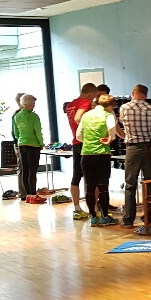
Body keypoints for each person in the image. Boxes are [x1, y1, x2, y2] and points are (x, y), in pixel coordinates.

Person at [117, 85, 151, 229]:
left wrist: (127, 137)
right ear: (146, 95)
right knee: (150, 183)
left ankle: (128, 220)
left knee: (130, 184)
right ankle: (148, 216)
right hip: (149, 149)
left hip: (132, 148)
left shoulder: (124, 108)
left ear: (133, 93)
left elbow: (119, 127)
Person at [76, 94, 119, 226]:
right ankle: (105, 216)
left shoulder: (86, 115)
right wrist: (109, 139)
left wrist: (89, 141)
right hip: (102, 154)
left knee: (89, 187)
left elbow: (78, 136)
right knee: (103, 187)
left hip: (86, 155)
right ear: (110, 106)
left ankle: (93, 217)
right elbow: (112, 133)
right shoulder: (108, 116)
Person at [64, 82, 98, 219]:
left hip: (75, 143)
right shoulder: (85, 102)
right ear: (90, 94)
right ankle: (95, 209)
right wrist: (89, 130)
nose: (93, 99)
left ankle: (77, 208)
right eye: (94, 96)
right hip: (85, 143)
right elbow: (78, 118)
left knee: (76, 176)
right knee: (93, 178)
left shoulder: (70, 105)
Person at [13, 94, 44, 201]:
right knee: (33, 170)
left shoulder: (17, 116)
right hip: (33, 145)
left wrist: (21, 140)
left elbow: (16, 133)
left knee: (25, 170)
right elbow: (38, 132)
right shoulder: (34, 116)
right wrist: (41, 143)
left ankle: (28, 195)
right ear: (27, 104)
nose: (34, 105)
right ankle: (33, 194)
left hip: (22, 144)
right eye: (32, 103)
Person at [11, 92, 26, 200]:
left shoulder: (29, 114)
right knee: (22, 169)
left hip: (23, 144)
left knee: (27, 169)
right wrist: (16, 146)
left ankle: (29, 192)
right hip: (20, 144)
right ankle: (23, 193)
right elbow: (14, 133)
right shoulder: (17, 115)